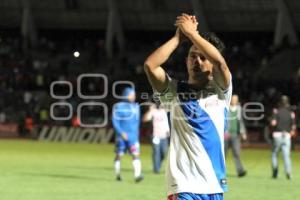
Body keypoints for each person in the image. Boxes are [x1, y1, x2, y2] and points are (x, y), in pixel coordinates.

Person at [144, 13, 232, 200]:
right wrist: (178, 38)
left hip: (214, 185)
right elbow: (150, 66)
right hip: (183, 186)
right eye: (192, 56)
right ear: (186, 61)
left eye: (202, 57)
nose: (196, 62)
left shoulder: (221, 92)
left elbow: (221, 64)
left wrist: (192, 35)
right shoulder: (172, 92)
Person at [112, 87, 143, 182]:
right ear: (126, 95)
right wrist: (121, 133)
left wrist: (137, 132)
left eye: (134, 95)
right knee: (119, 155)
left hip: (133, 137)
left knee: (135, 154)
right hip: (121, 137)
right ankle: (118, 175)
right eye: (131, 95)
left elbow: (137, 121)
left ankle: (137, 175)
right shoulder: (119, 107)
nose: (133, 96)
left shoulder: (136, 107)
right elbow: (115, 121)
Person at [270, 95, 296, 180]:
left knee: (274, 154)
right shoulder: (291, 113)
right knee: (286, 155)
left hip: (277, 135)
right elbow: (293, 126)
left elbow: (273, 123)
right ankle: (288, 172)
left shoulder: (276, 111)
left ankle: (275, 172)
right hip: (287, 136)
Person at [143, 103, 170, 174]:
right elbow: (145, 119)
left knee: (164, 152)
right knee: (156, 153)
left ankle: (158, 164)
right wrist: (150, 110)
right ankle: (156, 169)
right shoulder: (154, 112)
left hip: (164, 136)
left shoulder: (165, 111)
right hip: (155, 136)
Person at [225, 94, 247, 177]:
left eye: (235, 99)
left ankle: (240, 171)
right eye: (233, 99)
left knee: (237, 154)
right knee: (223, 154)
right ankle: (219, 171)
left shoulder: (239, 109)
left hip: (235, 135)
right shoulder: (225, 108)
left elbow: (241, 122)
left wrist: (243, 132)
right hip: (226, 135)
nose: (234, 100)